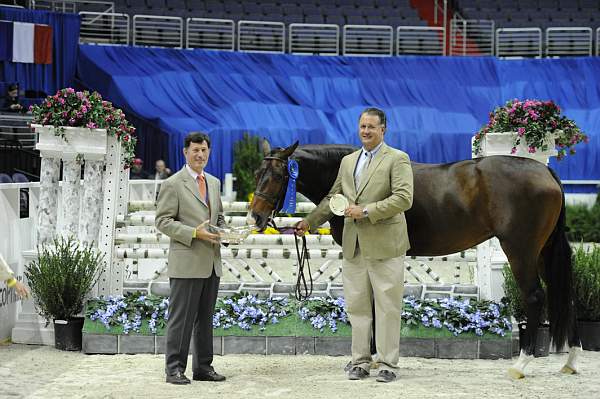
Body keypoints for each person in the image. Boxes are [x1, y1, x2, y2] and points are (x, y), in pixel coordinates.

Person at [295, 108, 413, 383]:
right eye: (362, 126)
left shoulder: (397, 158)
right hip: (354, 245)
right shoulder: (348, 161)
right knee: (357, 307)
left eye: (372, 127)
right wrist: (309, 222)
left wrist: (367, 211)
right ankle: (360, 361)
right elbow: (333, 198)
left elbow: (404, 198)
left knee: (387, 307)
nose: (366, 131)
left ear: (383, 129)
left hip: (385, 244)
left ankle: (387, 364)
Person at [155, 132, 227, 385]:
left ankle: (203, 368)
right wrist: (194, 233)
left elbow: (218, 219)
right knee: (181, 320)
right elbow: (162, 222)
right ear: (185, 152)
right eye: (195, 150)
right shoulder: (173, 184)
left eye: (204, 150)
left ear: (209, 152)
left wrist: (228, 233)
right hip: (186, 262)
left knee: (205, 319)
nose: (200, 154)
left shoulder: (215, 183)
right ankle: (174, 368)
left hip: (211, 263)